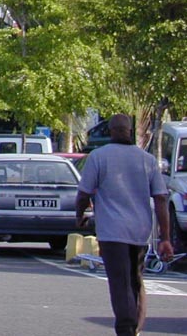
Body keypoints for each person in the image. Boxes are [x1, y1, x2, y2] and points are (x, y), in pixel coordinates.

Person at [75, 114, 173, 336]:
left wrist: (79, 215)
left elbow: (83, 194)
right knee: (135, 280)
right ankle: (135, 326)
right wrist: (165, 238)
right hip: (140, 231)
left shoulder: (98, 157)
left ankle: (126, 328)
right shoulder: (146, 160)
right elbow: (160, 198)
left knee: (120, 281)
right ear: (129, 131)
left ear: (110, 131)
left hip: (111, 231)